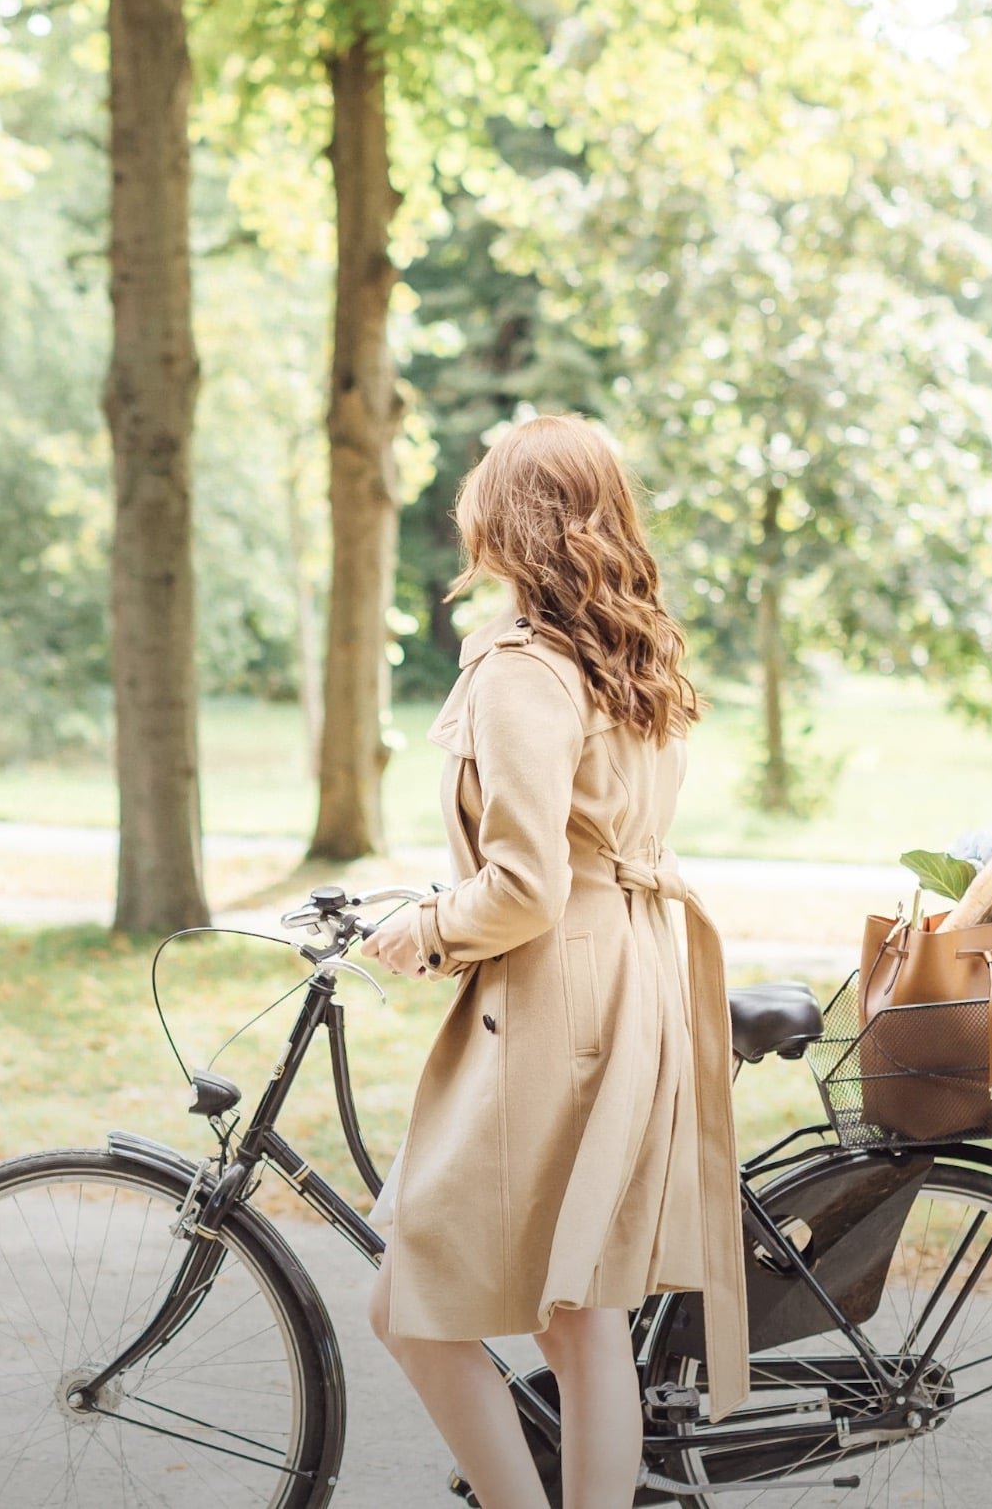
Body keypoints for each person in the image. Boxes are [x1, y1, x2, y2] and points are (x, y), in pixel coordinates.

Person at [360, 413, 751, 1509]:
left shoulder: (526, 667)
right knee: (581, 1318)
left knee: (418, 1309)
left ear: (507, 519)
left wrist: (428, 929)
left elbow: (527, 885)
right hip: (624, 978)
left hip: (559, 1004)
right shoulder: (625, 649)